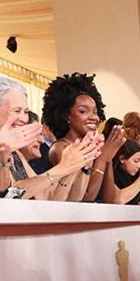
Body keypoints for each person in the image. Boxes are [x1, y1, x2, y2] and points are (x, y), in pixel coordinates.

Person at [41, 72, 122, 202]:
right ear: (66, 115)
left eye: (95, 112)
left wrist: (108, 158)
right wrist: (103, 158)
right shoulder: (61, 148)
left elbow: (111, 200)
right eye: (83, 111)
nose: (94, 117)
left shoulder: (95, 148)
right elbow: (84, 197)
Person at [107, 139, 140, 205]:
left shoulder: (130, 177)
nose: (139, 166)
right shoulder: (112, 174)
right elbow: (118, 199)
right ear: (122, 159)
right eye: (136, 161)